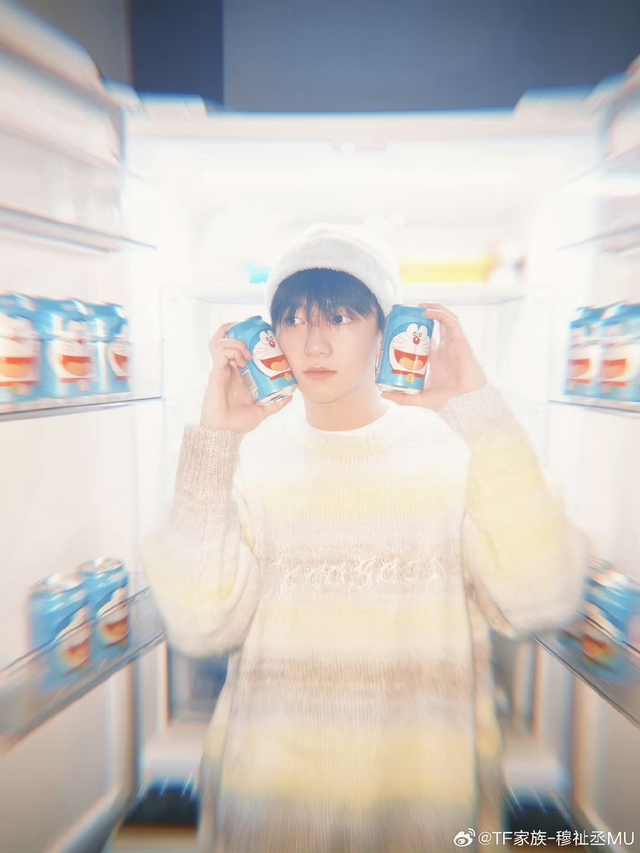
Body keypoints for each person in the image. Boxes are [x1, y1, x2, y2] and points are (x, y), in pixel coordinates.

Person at [141, 223, 586, 853]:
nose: (314, 342)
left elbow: (539, 597)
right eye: (293, 320)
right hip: (273, 807)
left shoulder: (452, 453)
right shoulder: (244, 459)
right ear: (271, 336)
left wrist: (479, 411)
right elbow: (198, 625)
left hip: (424, 805)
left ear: (385, 329)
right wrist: (216, 439)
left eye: (342, 317)